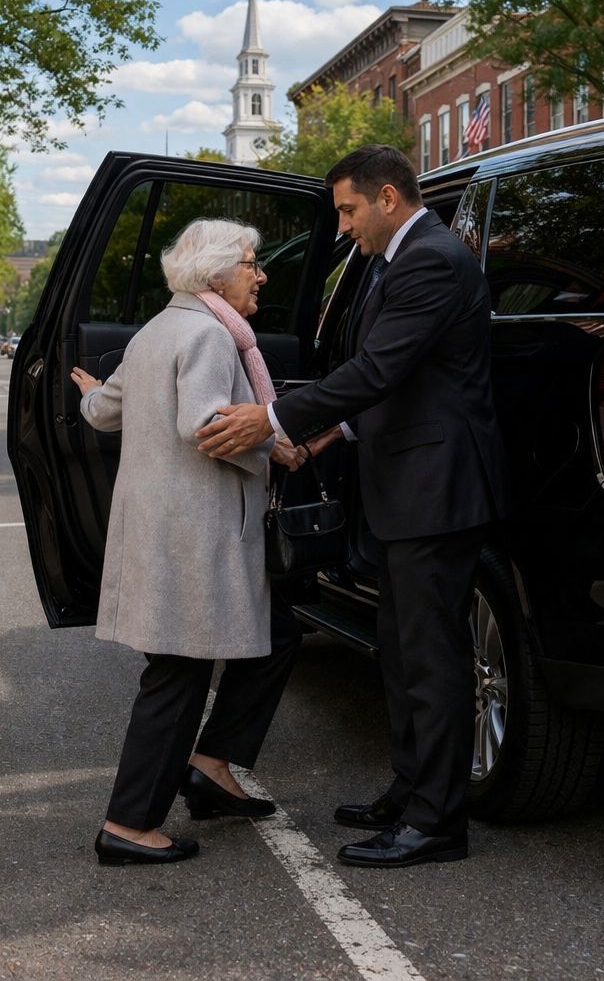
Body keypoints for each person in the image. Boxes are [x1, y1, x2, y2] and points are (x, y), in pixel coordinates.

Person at [195, 144, 509, 868]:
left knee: (432, 659)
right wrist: (335, 431)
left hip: (438, 491)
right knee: (400, 650)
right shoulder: (397, 261)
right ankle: (411, 789)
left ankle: (437, 823)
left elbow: (378, 368)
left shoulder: (430, 260)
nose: (342, 226)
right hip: (407, 488)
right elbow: (403, 380)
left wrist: (274, 419)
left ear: (387, 198)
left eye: (347, 210)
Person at [70, 218, 307, 867]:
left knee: (276, 634)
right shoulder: (208, 336)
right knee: (178, 672)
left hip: (162, 531)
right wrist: (276, 444)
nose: (261, 276)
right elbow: (205, 426)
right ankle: (128, 824)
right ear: (217, 275)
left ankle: (211, 766)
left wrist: (91, 394)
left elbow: (105, 412)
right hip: (193, 535)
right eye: (252, 264)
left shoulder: (156, 330)